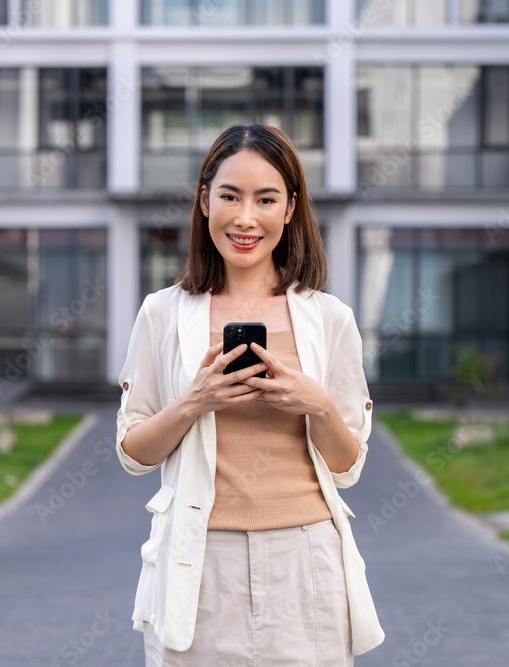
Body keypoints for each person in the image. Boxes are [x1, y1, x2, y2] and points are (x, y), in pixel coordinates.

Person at [115, 123, 384, 665]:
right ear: (203, 200)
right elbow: (133, 453)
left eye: (266, 199)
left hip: (306, 559)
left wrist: (316, 403)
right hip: (200, 560)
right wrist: (197, 400)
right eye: (230, 196)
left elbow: (348, 465)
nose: (245, 218)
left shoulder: (331, 319)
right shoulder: (162, 313)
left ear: (289, 210)